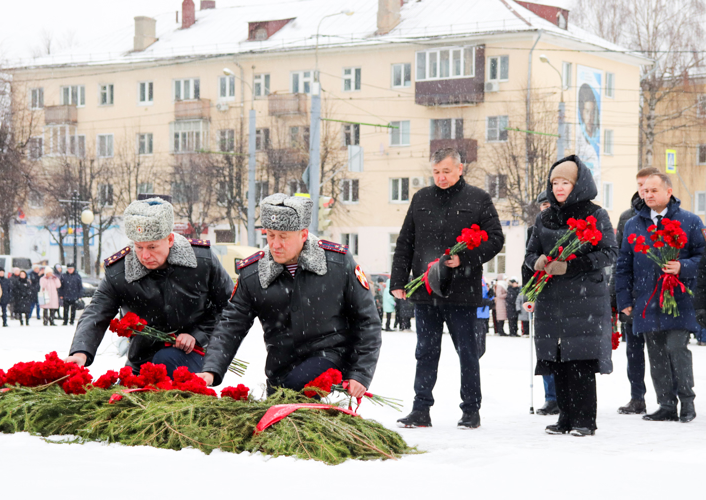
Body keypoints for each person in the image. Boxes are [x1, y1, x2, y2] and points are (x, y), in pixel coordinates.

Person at [198, 194, 381, 399]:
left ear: (303, 234)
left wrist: (360, 373)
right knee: (278, 418)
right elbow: (231, 325)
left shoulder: (337, 264)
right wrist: (211, 369)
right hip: (280, 372)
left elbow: (368, 321)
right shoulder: (253, 274)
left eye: (283, 236)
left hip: (330, 361)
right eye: (270, 235)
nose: (275, 244)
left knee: (294, 389)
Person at [390, 147, 504, 429]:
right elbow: (405, 242)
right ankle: (421, 409)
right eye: (436, 172)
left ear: (460, 169)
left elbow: (495, 239)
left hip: (462, 291)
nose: (441, 177)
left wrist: (464, 259)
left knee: (467, 352)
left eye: (446, 172)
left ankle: (470, 410)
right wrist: (398, 281)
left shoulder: (478, 199)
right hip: (426, 291)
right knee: (425, 351)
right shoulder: (421, 198)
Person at [66, 197, 234, 377]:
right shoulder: (120, 271)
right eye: (139, 247)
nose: (145, 255)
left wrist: (198, 334)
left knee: (167, 359)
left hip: (192, 356)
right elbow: (96, 311)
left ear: (170, 239)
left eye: (152, 247)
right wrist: (80, 352)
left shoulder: (201, 261)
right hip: (141, 361)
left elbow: (230, 306)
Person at [525, 156, 617, 437]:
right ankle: (564, 417)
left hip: (584, 297)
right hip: (552, 298)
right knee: (558, 359)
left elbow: (609, 252)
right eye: (554, 183)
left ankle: (584, 420)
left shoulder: (596, 215)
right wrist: (538, 261)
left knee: (581, 360)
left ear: (578, 184)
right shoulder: (544, 217)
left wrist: (571, 264)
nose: (559, 188)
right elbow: (529, 253)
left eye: (565, 182)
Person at [616, 172, 704, 423]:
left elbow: (702, 258)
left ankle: (687, 402)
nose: (648, 194)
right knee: (655, 354)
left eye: (654, 190)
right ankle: (666, 404)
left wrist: (682, 267)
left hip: (679, 300)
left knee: (676, 349)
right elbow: (624, 265)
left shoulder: (689, 221)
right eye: (645, 190)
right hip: (646, 300)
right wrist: (625, 301)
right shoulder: (634, 224)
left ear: (669, 191)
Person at [611, 167, 660, 415]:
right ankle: (637, 397)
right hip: (632, 297)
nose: (643, 189)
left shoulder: (668, 215)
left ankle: (667, 398)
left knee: (661, 350)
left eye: (648, 184)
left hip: (660, 296)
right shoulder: (627, 218)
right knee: (634, 351)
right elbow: (621, 261)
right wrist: (617, 298)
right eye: (640, 184)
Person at [522, 190, 559, 415]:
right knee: (546, 348)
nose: (546, 208)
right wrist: (529, 295)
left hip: (565, 293)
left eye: (549, 204)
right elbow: (527, 264)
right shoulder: (533, 230)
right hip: (541, 292)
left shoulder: (566, 229)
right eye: (542, 205)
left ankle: (566, 393)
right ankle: (551, 396)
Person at [475, 277, 493, 357]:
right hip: (475, 315)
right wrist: (481, 301)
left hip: (483, 315)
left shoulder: (482, 278)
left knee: (481, 347)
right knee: (476, 345)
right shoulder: (473, 277)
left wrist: (491, 295)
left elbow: (486, 295)